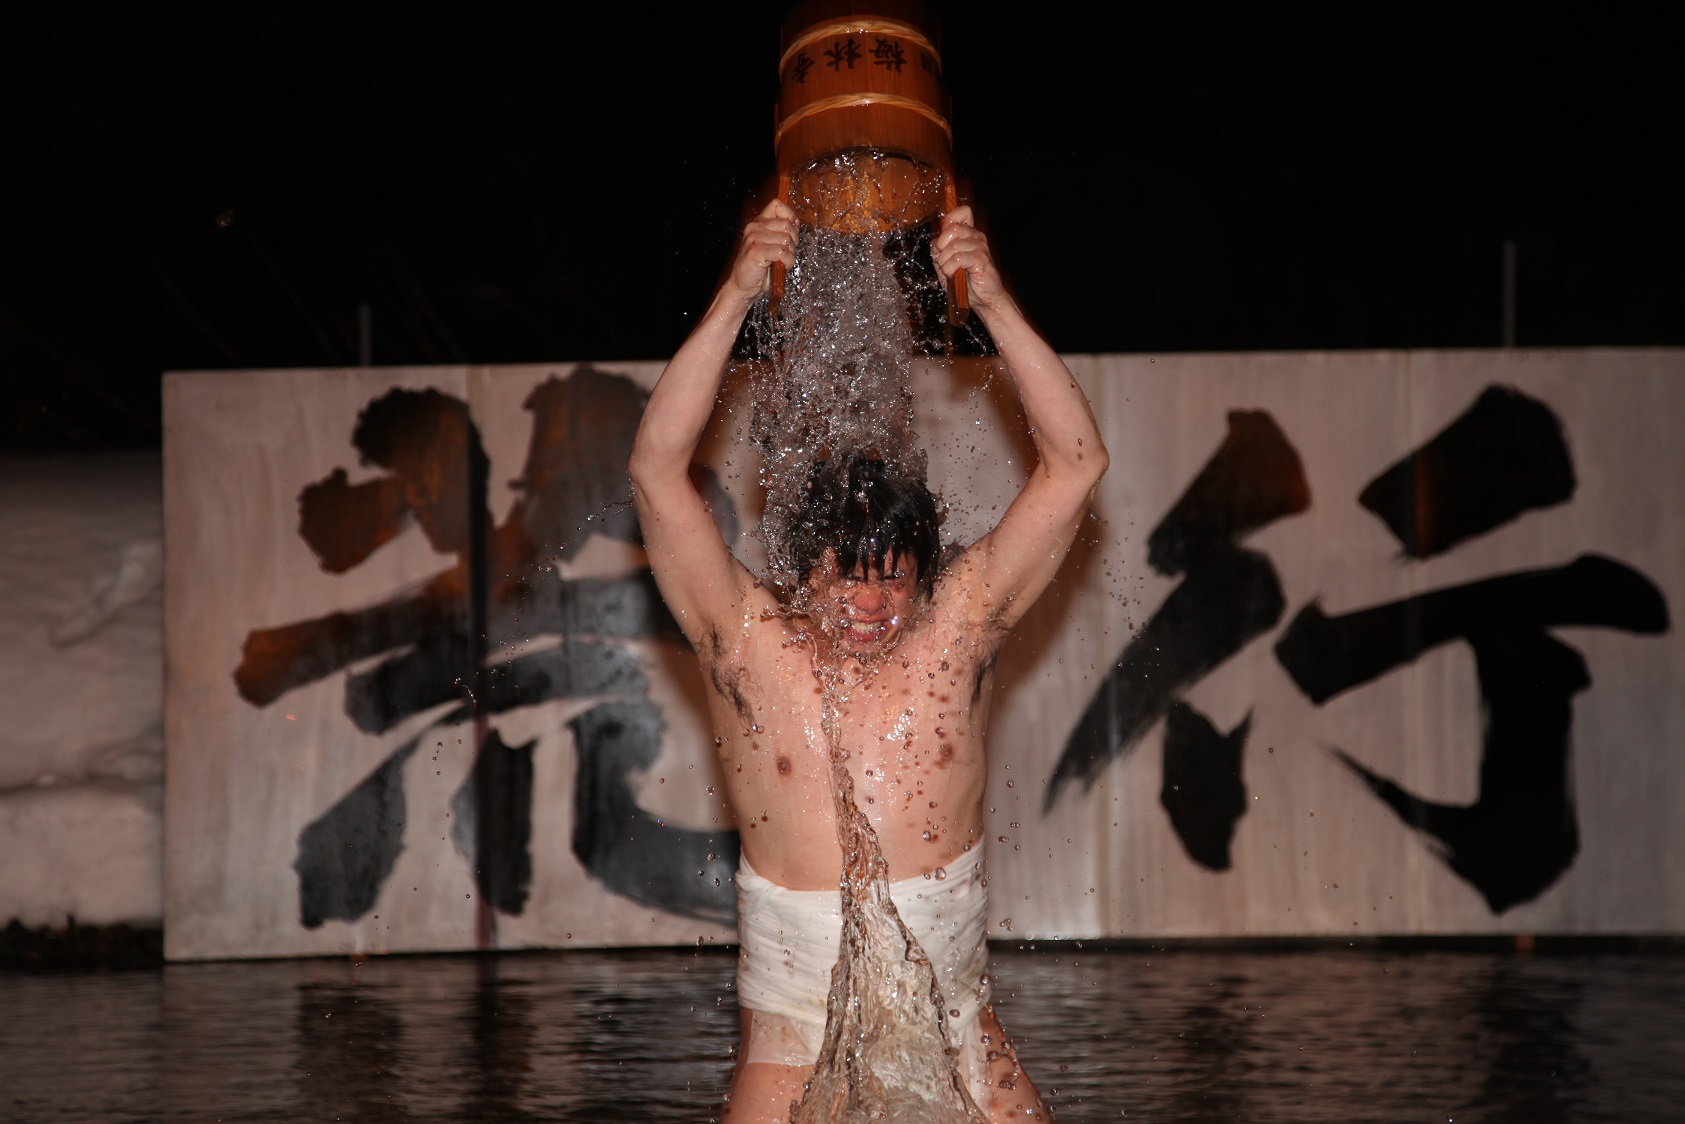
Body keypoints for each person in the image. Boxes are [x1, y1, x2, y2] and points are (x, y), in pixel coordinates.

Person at [628, 197, 1107, 1123]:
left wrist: (995, 301)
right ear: (798, 571)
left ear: (924, 578)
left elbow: (1076, 464)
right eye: (844, 577)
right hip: (794, 1031)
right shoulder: (744, 639)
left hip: (958, 1024)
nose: (870, 603)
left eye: (893, 578)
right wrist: (733, 297)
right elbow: (656, 468)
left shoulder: (954, 630)